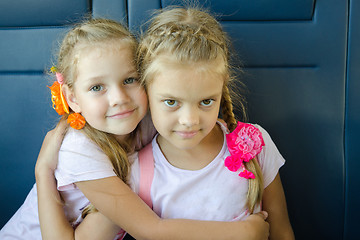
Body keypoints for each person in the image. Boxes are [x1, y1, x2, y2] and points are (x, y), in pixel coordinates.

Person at [0, 18, 270, 240]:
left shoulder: (145, 122)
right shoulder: (79, 150)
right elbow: (149, 229)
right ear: (71, 98)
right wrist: (242, 231)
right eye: (97, 87)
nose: (119, 98)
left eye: (130, 79)